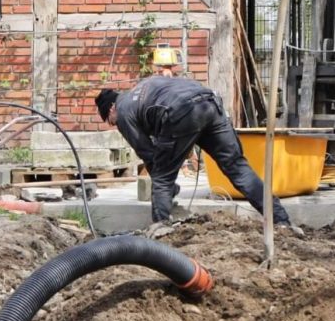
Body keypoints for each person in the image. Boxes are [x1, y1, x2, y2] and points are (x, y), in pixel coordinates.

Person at [96, 77, 293, 230]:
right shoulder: (146, 86)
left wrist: (166, 185)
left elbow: (147, 153)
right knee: (237, 166)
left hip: (180, 111)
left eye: (110, 121)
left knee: (162, 177)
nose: (114, 124)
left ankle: (161, 228)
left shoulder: (123, 110)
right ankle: (281, 220)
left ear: (111, 108)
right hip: (210, 103)